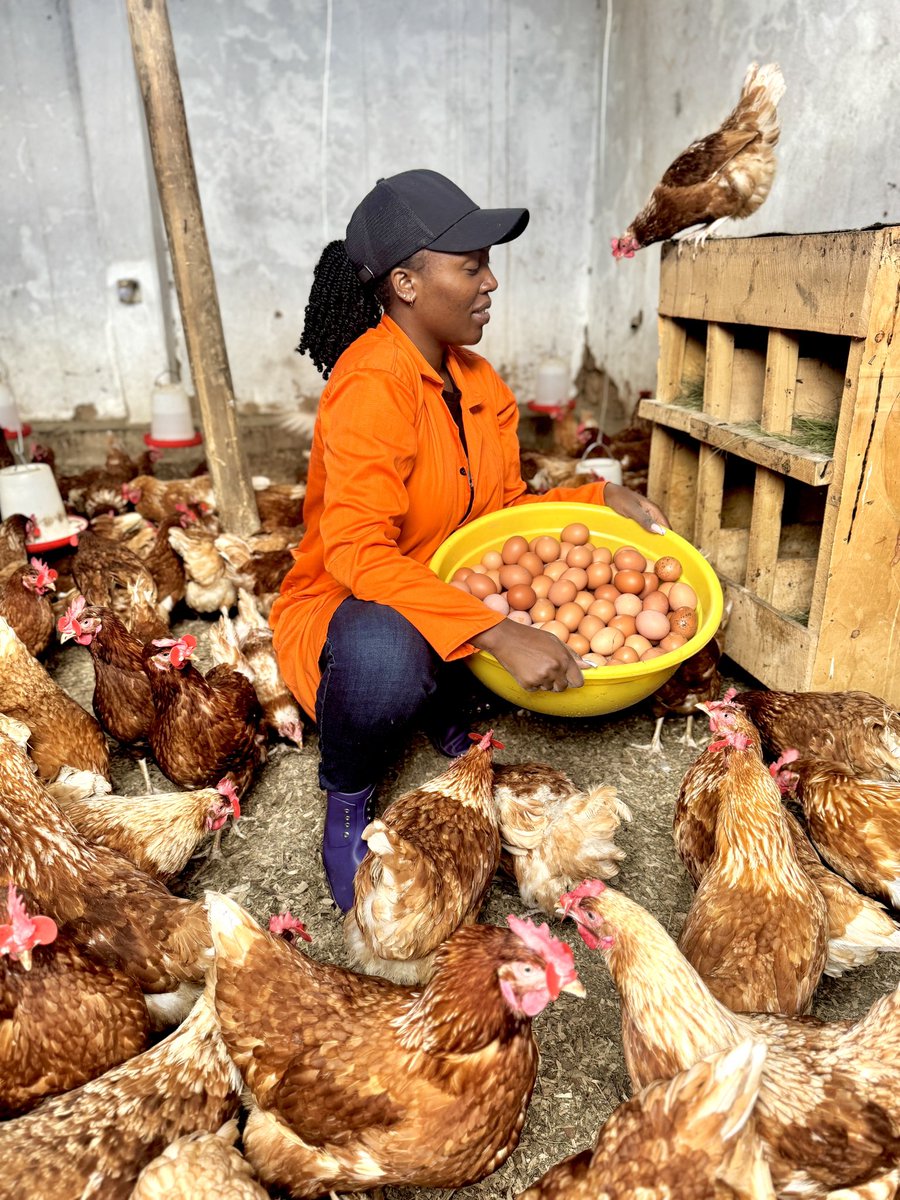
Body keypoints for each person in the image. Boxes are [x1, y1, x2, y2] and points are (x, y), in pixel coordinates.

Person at [271, 169, 668, 910]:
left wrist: (596, 497)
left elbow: (502, 511)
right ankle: (348, 794)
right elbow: (358, 554)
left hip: (450, 596)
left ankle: (441, 697)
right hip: (357, 612)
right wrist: (493, 630)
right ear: (407, 284)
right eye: (471, 265)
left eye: (486, 263)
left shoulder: (480, 381)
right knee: (389, 657)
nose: (491, 282)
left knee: (517, 619)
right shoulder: (370, 387)